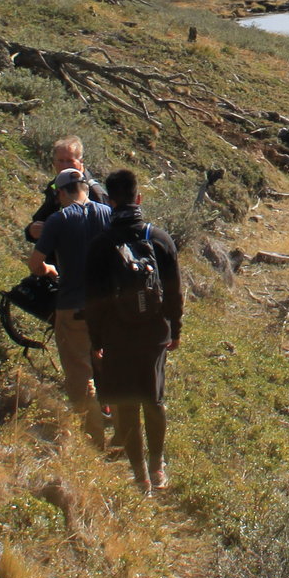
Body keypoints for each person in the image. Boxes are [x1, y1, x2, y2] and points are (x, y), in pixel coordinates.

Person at [83, 168, 182, 492]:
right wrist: (174, 329)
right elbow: (174, 292)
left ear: (109, 201)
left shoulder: (100, 245)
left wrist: (96, 340)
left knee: (127, 406)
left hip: (116, 335)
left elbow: (94, 299)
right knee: (154, 401)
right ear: (138, 198)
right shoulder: (160, 238)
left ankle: (139, 475)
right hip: (154, 334)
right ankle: (158, 467)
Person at [28, 146, 114, 447]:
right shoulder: (108, 214)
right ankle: (120, 423)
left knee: (79, 372)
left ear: (62, 194)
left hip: (73, 305)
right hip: (106, 306)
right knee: (107, 362)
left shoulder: (59, 219)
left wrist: (51, 270)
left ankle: (93, 438)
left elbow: (35, 264)